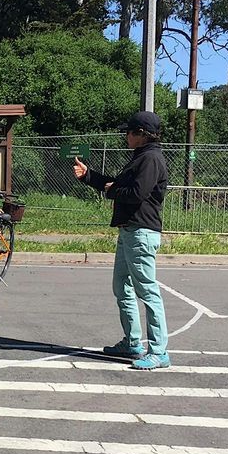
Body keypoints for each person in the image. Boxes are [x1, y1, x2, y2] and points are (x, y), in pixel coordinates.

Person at [73, 110, 171, 370]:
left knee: (147, 290)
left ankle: (159, 351)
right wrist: (89, 177)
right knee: (122, 287)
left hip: (141, 231)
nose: (125, 136)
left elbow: (136, 192)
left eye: (128, 132)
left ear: (141, 134)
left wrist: (112, 190)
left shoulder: (151, 158)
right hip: (130, 231)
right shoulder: (140, 157)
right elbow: (117, 185)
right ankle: (132, 342)